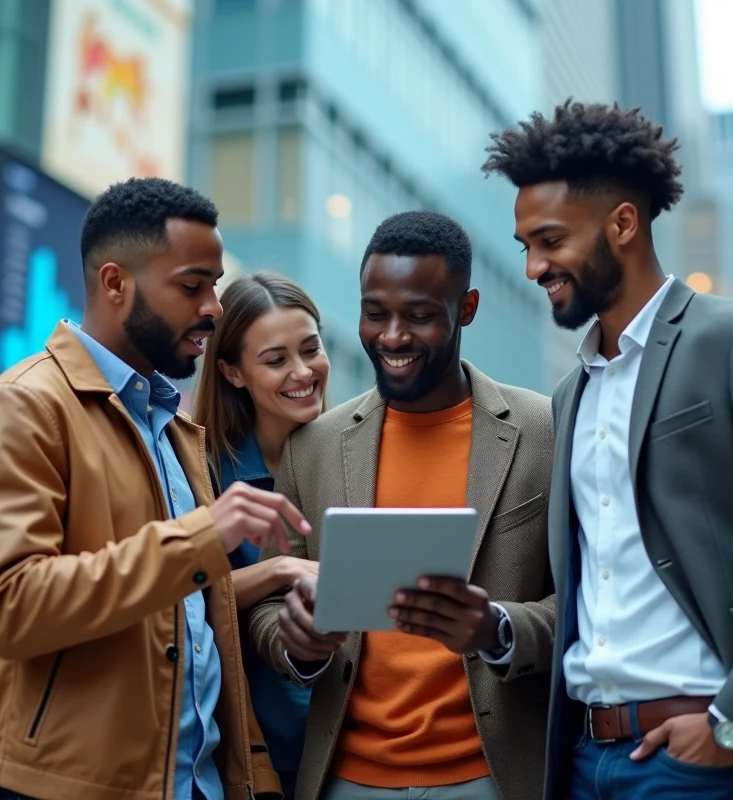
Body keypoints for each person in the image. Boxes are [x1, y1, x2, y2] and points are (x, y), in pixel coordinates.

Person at [481, 100, 733, 800]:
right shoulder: (568, 395)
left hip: (699, 761)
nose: (532, 267)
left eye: (549, 241)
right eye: (524, 246)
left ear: (622, 223)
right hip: (582, 761)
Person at [0, 177, 310, 800]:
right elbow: (10, 607)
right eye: (192, 286)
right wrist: (205, 537)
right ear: (115, 283)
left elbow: (195, 621)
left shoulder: (173, 429)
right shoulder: (20, 408)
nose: (214, 310)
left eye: (215, 287)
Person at [247, 211, 557, 800]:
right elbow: (267, 607)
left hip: (495, 776)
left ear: (465, 309)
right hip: (346, 777)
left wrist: (496, 626)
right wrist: (295, 642)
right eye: (374, 313)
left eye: (418, 316)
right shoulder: (312, 447)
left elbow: (585, 605)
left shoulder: (543, 429)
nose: (391, 336)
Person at [193, 271, 331, 799]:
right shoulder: (201, 473)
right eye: (275, 360)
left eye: (311, 349)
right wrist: (278, 569)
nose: (302, 372)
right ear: (231, 372)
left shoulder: (352, 457)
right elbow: (181, 597)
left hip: (349, 745)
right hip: (250, 756)